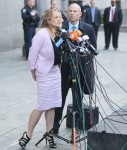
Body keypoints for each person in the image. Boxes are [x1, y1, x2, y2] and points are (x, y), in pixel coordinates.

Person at [18, 8, 63, 149]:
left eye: (60, 17)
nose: (59, 19)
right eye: (56, 17)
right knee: (42, 105)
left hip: (55, 72)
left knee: (52, 105)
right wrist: (33, 71)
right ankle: (28, 134)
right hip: (44, 74)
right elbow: (32, 54)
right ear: (49, 20)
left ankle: (49, 134)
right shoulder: (41, 34)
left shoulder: (58, 33)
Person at [54, 3, 96, 134]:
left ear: (80, 14)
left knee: (78, 100)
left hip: (80, 70)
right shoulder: (60, 28)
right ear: (66, 13)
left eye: (75, 11)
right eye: (70, 11)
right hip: (64, 70)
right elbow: (54, 48)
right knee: (59, 99)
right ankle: (54, 127)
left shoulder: (88, 28)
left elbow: (92, 50)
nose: (72, 13)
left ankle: (76, 128)